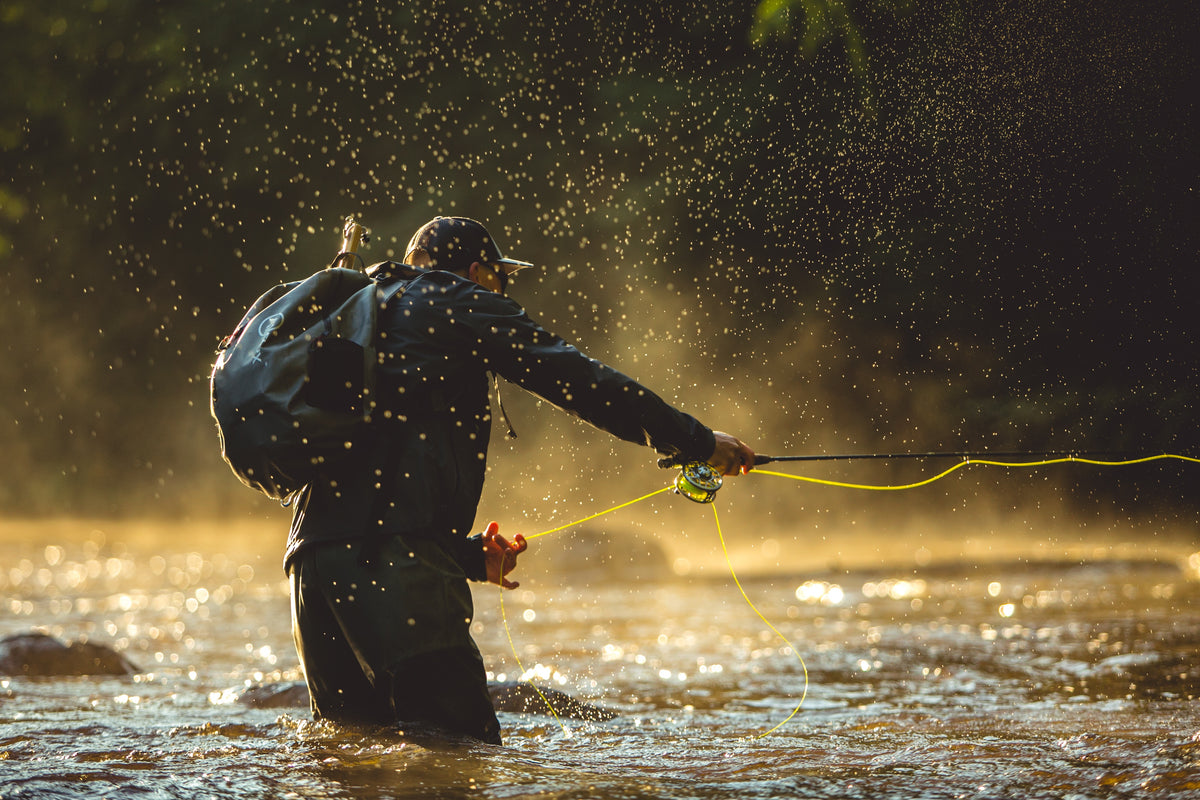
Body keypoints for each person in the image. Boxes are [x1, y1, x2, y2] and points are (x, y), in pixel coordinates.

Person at [286, 216, 755, 744]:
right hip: (394, 564)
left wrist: (462, 558)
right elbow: (579, 380)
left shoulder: (362, 310)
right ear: (478, 271)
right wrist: (695, 441)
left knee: (352, 753)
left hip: (310, 571)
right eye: (500, 277)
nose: (504, 290)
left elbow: (371, 474)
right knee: (459, 750)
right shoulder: (456, 300)